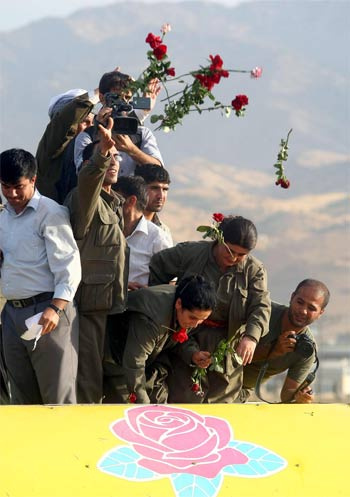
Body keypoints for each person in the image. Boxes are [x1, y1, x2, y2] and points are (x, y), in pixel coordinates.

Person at [149, 214, 271, 403]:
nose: (234, 258)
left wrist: (251, 337)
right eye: (230, 251)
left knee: (223, 407)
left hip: (227, 345)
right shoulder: (191, 253)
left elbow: (261, 305)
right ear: (218, 238)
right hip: (187, 337)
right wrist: (163, 304)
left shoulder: (254, 271)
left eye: (241, 255)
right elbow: (158, 265)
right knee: (185, 402)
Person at [0, 148, 81, 404]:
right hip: (12, 314)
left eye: (17, 186)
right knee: (22, 401)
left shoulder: (51, 213)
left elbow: (69, 264)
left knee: (57, 399)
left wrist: (56, 308)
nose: (11, 194)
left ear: (33, 180)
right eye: (4, 186)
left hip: (47, 312)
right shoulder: (3, 217)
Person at [64, 117, 129, 403]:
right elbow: (89, 180)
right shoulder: (83, 197)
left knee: (111, 377)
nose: (113, 161)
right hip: (88, 303)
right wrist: (101, 152)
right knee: (88, 379)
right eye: (107, 156)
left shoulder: (113, 203)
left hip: (111, 304)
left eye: (116, 156)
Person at [105, 275, 217, 404]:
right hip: (115, 358)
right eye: (192, 318)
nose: (195, 324)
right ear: (179, 304)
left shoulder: (187, 303)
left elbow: (179, 336)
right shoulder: (152, 318)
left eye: (202, 319)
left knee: (159, 405)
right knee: (124, 410)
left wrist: (193, 354)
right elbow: (134, 363)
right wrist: (143, 405)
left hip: (148, 361)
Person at [241, 279, 330, 404]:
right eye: (300, 302)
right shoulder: (263, 312)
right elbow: (231, 356)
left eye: (311, 308)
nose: (303, 311)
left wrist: (300, 396)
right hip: (215, 376)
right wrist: (273, 350)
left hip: (241, 391)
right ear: (292, 297)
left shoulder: (306, 349)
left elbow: (287, 394)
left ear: (320, 313)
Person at [74, 71, 163, 176]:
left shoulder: (142, 134)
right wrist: (100, 135)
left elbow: (160, 173)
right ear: (102, 98)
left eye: (127, 98)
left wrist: (131, 149)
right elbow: (83, 174)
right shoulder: (87, 136)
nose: (123, 103)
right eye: (116, 98)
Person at [36, 87, 99, 203]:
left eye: (92, 122)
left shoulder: (90, 148)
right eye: (85, 122)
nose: (90, 127)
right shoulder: (51, 145)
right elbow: (66, 121)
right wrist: (99, 92)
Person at [114, 175, 172, 290]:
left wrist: (148, 291)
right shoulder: (107, 230)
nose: (111, 204)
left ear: (131, 201)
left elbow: (170, 282)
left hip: (138, 304)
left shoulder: (157, 237)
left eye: (116, 199)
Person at [134, 163, 173, 244]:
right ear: (140, 188)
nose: (161, 196)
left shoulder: (164, 231)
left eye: (165, 189)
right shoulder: (123, 224)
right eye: (155, 188)